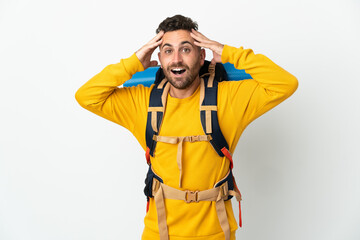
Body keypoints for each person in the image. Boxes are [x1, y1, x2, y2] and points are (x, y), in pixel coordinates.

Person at [75, 15, 298, 240]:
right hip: (158, 233)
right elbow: (86, 96)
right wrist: (133, 63)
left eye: (186, 49)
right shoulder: (142, 103)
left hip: (216, 233)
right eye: (168, 50)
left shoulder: (229, 99)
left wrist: (229, 53)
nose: (177, 59)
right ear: (159, 58)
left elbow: (285, 84)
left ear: (202, 56)